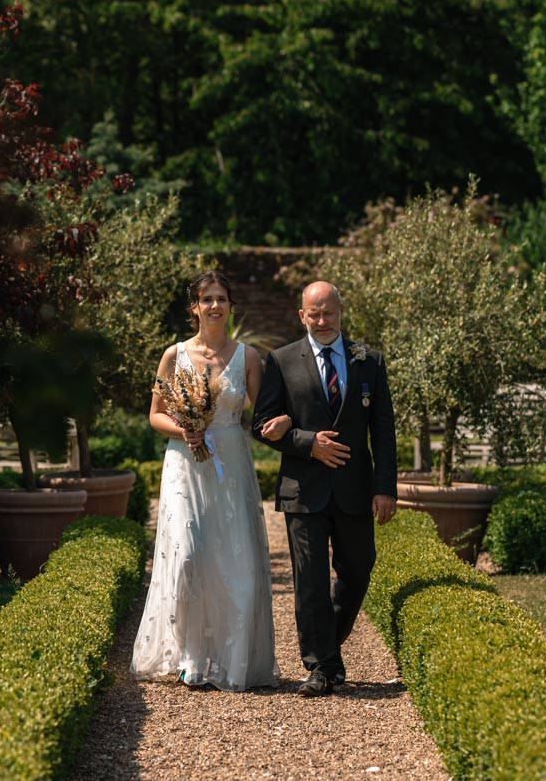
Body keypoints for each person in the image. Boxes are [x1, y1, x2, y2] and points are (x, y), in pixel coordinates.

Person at [130, 270, 286, 691]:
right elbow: (155, 414)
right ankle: (187, 654)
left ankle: (229, 660)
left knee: (234, 564)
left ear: (230, 305)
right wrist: (184, 429)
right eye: (207, 299)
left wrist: (285, 423)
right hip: (184, 463)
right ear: (194, 307)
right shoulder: (173, 355)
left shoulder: (248, 356)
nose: (214, 305)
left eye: (221, 298)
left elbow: (263, 412)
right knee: (186, 557)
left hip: (231, 464)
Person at [251, 280, 397, 697]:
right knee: (310, 581)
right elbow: (263, 425)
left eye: (327, 312)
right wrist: (306, 442)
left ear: (340, 311)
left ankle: (326, 642)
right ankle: (321, 667)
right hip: (304, 489)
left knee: (358, 570)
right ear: (302, 315)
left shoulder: (369, 360)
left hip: (354, 489)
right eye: (312, 314)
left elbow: (383, 431)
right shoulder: (280, 360)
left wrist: (385, 488)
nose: (321, 320)